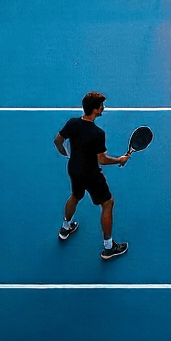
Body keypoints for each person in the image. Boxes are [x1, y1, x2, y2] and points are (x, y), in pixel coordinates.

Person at [54, 91, 130, 259]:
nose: (103, 108)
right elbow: (102, 160)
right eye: (101, 106)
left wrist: (66, 154)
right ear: (95, 110)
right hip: (91, 175)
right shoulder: (97, 133)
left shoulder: (72, 123)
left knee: (75, 195)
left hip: (73, 168)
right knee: (108, 203)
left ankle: (66, 227)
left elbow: (58, 141)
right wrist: (119, 160)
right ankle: (108, 248)